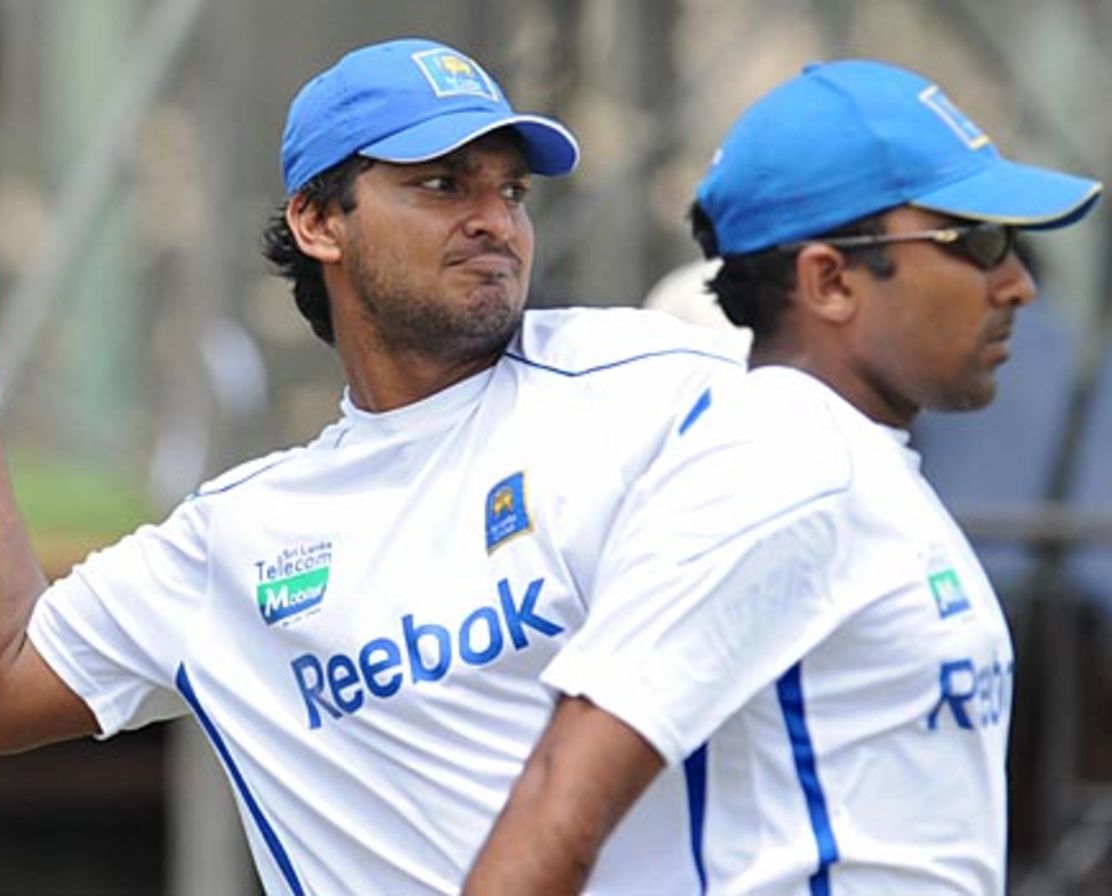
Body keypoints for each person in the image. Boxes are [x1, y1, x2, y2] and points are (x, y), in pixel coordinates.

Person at [0, 38, 744, 894]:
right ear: (318, 220)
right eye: (441, 183)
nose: (493, 219)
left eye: (510, 190)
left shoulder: (654, 387)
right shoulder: (241, 535)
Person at [463, 59, 1102, 896]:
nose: (1017, 283)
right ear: (830, 280)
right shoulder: (783, 462)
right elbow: (556, 805)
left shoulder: (851, 456)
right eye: (975, 242)